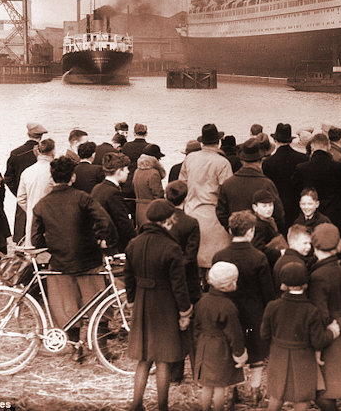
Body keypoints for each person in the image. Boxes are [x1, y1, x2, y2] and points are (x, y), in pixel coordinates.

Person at [31, 156, 118, 361]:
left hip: (60, 263)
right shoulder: (83, 198)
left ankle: (75, 348)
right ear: (73, 177)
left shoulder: (42, 205)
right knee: (99, 305)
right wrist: (104, 241)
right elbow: (105, 222)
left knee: (68, 308)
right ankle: (102, 349)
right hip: (88, 261)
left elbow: (36, 240)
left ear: (53, 178)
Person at [125, 199, 193, 411]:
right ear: (165, 222)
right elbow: (179, 285)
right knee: (163, 359)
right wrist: (185, 311)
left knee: (144, 359)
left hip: (143, 301)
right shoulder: (171, 248)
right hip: (165, 303)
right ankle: (162, 407)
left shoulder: (134, 243)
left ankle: (136, 404)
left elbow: (128, 276)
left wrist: (131, 299)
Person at [261, 262, 339, 411]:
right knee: (302, 398)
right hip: (303, 359)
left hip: (278, 356)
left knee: (277, 395)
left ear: (283, 285)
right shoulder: (311, 310)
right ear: (305, 285)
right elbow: (318, 342)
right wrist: (332, 332)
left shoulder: (272, 306)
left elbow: (264, 335)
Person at [212, 210, 275, 397]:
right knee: (256, 352)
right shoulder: (259, 257)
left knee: (232, 349)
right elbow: (268, 292)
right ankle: (255, 391)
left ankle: (232, 392)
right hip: (254, 311)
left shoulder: (219, 256)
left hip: (228, 310)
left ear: (231, 230)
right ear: (251, 232)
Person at [308, 223, 341, 411]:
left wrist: (318, 347)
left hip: (326, 335)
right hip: (337, 329)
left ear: (315, 245)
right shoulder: (337, 269)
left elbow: (320, 313)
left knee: (322, 394)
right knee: (329, 391)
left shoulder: (319, 276)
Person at [193, 261, 248, 411]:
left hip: (204, 346)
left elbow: (196, 327)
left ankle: (205, 409)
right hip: (220, 349)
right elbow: (234, 334)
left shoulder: (202, 300)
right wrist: (239, 353)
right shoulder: (228, 306)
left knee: (206, 386)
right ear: (227, 285)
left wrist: (199, 343)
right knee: (219, 387)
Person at [179, 124, 234, 271]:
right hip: (214, 216)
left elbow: (181, 185)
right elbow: (227, 192)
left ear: (202, 142)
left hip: (191, 212)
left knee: (193, 256)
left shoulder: (190, 158)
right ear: (219, 142)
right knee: (215, 260)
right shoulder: (223, 163)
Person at [292, 132, 341, 239]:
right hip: (334, 216)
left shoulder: (302, 168)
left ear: (312, 147)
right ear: (329, 146)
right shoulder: (338, 168)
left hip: (310, 216)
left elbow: (295, 192)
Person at [217, 137, 285, 232]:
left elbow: (221, 213)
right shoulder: (267, 184)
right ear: (261, 161)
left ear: (241, 161)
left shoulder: (228, 183)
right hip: (262, 236)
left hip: (238, 235)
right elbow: (279, 214)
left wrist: (233, 229)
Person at [5, 122, 47, 240]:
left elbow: (8, 178)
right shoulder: (44, 153)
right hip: (41, 197)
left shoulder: (15, 153)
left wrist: (18, 192)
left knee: (22, 229)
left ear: (28, 134)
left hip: (22, 196)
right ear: (41, 136)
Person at [262, 123, 307, 231]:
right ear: (290, 140)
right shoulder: (303, 159)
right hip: (297, 206)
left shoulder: (268, 162)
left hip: (277, 206)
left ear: (275, 140)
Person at [91, 152, 136, 255]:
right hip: (114, 244)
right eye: (126, 169)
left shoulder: (97, 188)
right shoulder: (113, 193)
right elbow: (123, 222)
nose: (128, 172)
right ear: (119, 171)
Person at [17, 138, 56, 246]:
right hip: (51, 216)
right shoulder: (53, 172)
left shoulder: (27, 171)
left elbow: (20, 198)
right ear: (53, 151)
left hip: (32, 216)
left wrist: (30, 209)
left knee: (32, 251)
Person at [132, 143, 166, 227]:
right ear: (155, 159)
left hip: (138, 210)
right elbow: (158, 195)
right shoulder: (153, 173)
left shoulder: (137, 171)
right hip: (150, 210)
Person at [273, 224, 314, 290]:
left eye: (310, 243)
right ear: (292, 242)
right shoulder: (297, 264)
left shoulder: (280, 260)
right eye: (305, 243)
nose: (309, 247)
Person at [250, 189, 280, 255]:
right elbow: (258, 248)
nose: (269, 209)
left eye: (270, 205)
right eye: (264, 206)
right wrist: (278, 253)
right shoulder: (258, 226)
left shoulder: (270, 221)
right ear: (255, 207)